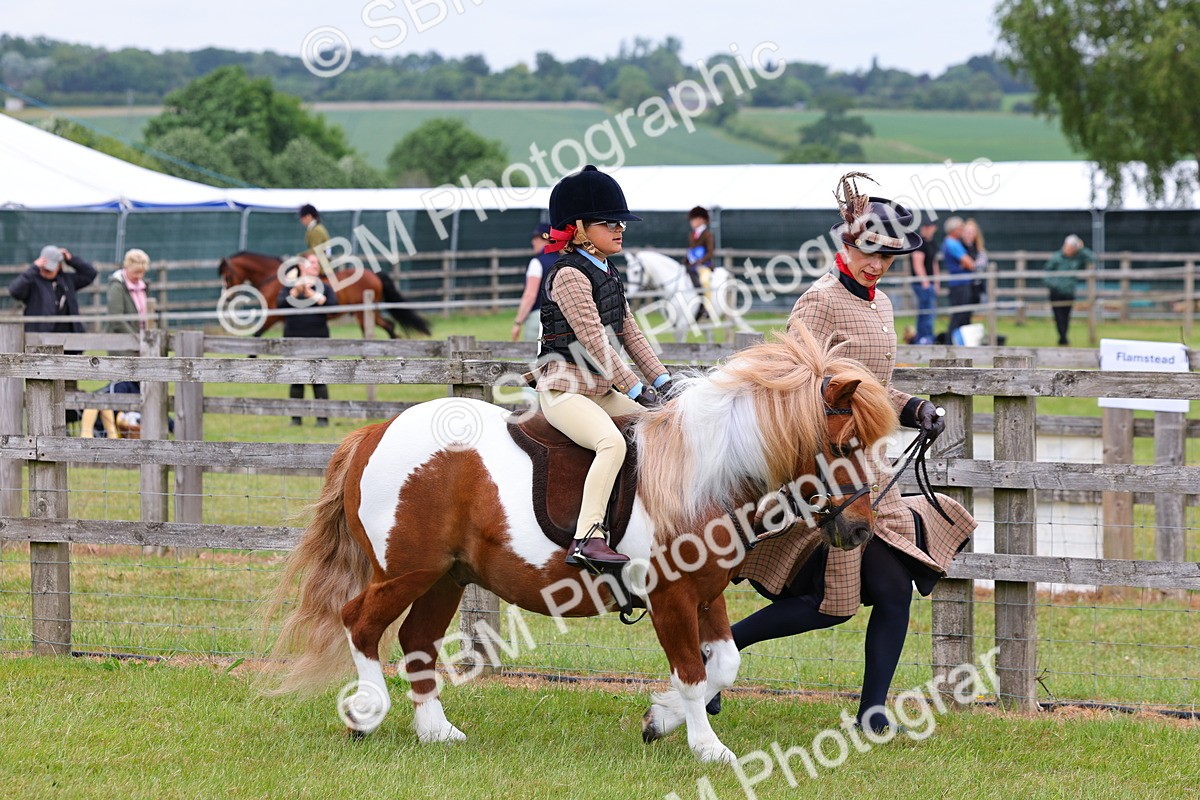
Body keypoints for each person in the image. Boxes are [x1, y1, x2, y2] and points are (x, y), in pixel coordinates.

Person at [731, 172, 976, 733]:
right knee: (829, 604)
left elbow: (871, 386)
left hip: (873, 467)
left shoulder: (884, 304)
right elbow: (794, 381)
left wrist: (913, 408)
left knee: (893, 592)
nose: (878, 264)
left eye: (889, 255)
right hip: (827, 469)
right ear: (848, 243)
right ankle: (719, 650)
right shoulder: (818, 300)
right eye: (870, 251)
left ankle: (872, 712)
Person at [536, 165, 672, 572]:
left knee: (661, 428)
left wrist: (663, 381)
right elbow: (596, 340)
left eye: (620, 222)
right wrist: (633, 388)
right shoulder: (569, 276)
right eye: (609, 223)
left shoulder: (606, 271)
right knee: (610, 443)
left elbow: (630, 331)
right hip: (563, 390)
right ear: (578, 228)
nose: (620, 229)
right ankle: (587, 537)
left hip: (596, 388)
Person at [277, 253, 339, 427]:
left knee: (319, 380)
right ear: (302, 266)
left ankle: (322, 419)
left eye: (317, 263)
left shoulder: (324, 287)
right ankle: (296, 419)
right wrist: (296, 291)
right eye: (312, 262)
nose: (316, 265)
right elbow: (280, 305)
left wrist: (311, 293)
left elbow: (334, 307)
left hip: (318, 339)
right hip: (294, 339)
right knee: (296, 380)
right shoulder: (289, 287)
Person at [8, 244, 98, 334]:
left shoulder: (67, 280)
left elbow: (90, 274)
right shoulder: (33, 282)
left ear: (59, 266)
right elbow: (14, 290)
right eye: (44, 268)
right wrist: (33, 268)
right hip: (40, 339)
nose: (46, 271)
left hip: (68, 338)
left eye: (49, 269)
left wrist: (71, 259)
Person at [1042, 234, 1094, 346]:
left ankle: (1063, 338)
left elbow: (1093, 258)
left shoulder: (1078, 257)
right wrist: (1056, 285)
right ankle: (1063, 338)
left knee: (1066, 317)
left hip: (1069, 292)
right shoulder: (1056, 258)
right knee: (1058, 316)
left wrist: (1082, 248)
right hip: (1056, 292)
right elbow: (1046, 274)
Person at [512, 224, 557, 342]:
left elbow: (530, 296)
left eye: (535, 238)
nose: (533, 242)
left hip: (539, 317)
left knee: (533, 358)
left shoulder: (537, 262)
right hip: (560, 318)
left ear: (544, 239)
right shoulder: (564, 261)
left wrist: (518, 321)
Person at [940, 216, 976, 341]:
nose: (963, 231)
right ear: (954, 229)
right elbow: (970, 263)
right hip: (959, 284)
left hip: (961, 283)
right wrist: (966, 264)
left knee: (963, 315)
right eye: (961, 228)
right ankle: (949, 342)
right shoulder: (952, 243)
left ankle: (959, 342)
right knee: (958, 315)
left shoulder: (953, 243)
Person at [106, 248, 152, 336]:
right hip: (122, 342)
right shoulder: (116, 287)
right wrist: (135, 339)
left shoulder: (144, 286)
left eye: (142, 272)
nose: (139, 276)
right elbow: (116, 319)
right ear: (126, 267)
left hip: (143, 339)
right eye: (136, 272)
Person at [908, 219, 939, 345]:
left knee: (929, 311)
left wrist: (936, 281)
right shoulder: (920, 243)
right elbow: (917, 263)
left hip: (930, 283)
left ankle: (926, 336)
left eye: (929, 226)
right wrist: (925, 281)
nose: (927, 229)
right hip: (922, 284)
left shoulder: (932, 243)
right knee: (926, 312)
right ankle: (924, 337)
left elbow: (934, 262)